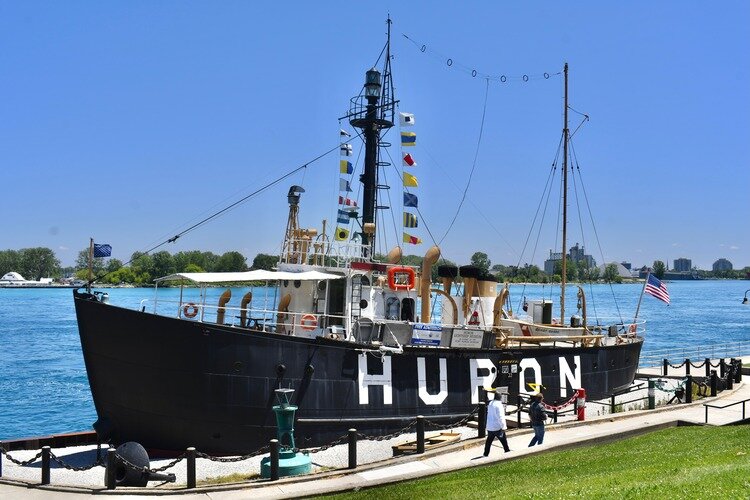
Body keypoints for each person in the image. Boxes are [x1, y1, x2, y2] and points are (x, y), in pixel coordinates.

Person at [483, 387, 510, 456]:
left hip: (490, 426)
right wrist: (504, 427)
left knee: (489, 441)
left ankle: (485, 454)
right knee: (503, 441)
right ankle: (507, 451)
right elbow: (500, 417)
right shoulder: (499, 405)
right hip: (497, 427)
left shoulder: (491, 403)